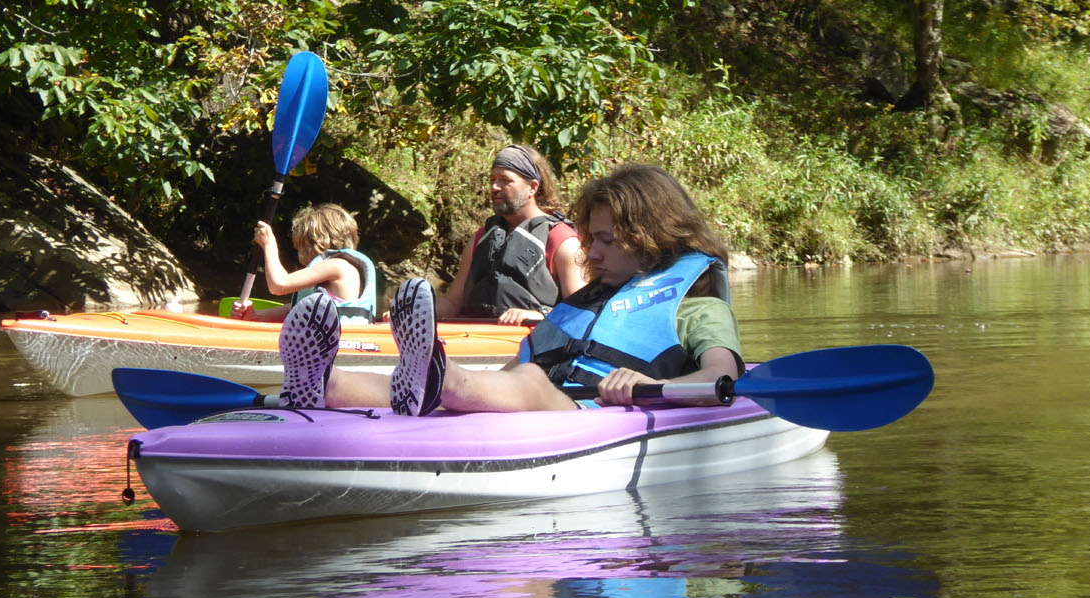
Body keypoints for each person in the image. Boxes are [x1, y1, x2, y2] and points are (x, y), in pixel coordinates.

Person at [276, 164, 743, 414]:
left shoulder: (697, 308)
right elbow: (506, 378)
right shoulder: (582, 305)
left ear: (652, 238)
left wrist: (653, 385)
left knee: (528, 381)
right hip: (537, 403)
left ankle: (442, 377)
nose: (591, 251)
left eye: (607, 240)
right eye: (591, 237)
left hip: (589, 414)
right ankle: (326, 383)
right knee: (457, 384)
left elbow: (721, 376)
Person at [431, 144, 587, 324]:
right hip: (476, 336)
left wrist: (540, 315)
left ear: (532, 187)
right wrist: (416, 314)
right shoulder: (481, 238)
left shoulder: (562, 241)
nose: (495, 187)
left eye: (505, 180)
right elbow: (452, 302)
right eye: (492, 179)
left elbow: (581, 312)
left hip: (532, 338)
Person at [232, 203, 377, 323]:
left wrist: (269, 245)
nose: (298, 250)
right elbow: (295, 308)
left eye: (301, 245)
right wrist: (254, 316)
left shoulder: (338, 266)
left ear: (316, 241)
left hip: (338, 343)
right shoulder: (328, 275)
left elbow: (279, 285)